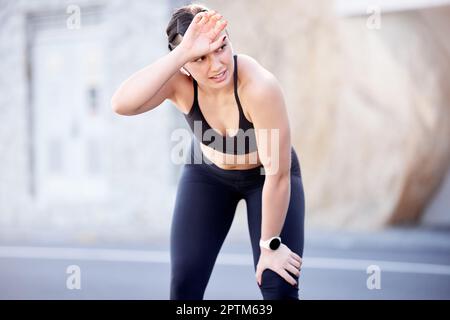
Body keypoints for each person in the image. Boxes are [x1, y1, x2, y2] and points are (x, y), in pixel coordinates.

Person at [111, 3, 305, 300]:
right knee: (184, 286)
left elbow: (277, 174)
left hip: (268, 178)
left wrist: (270, 246)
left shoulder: (259, 86)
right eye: (200, 58)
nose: (217, 65)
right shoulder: (180, 84)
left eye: (221, 47)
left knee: (277, 285)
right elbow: (122, 104)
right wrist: (181, 54)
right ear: (185, 63)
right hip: (208, 176)